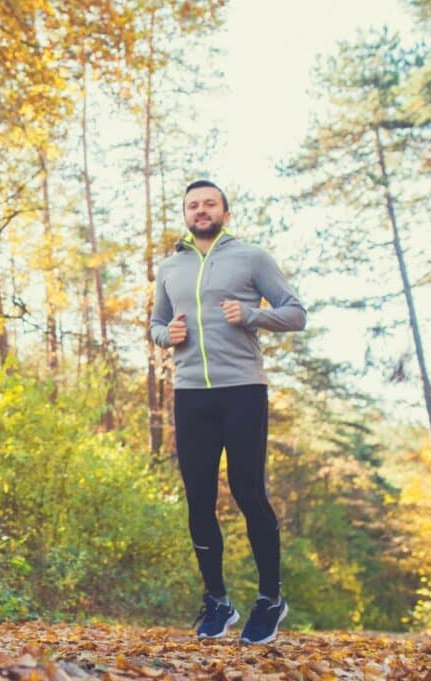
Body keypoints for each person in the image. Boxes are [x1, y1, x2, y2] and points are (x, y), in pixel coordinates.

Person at [150, 180, 306, 645]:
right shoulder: (170, 267)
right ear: (185, 214)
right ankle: (217, 600)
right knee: (198, 498)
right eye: (193, 205)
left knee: (247, 491)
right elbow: (157, 323)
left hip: (242, 390)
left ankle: (270, 599)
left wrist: (252, 315)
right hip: (190, 392)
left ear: (226, 212)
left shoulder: (252, 258)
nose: (201, 210)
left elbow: (296, 313)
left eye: (209, 204)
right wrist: (166, 335)